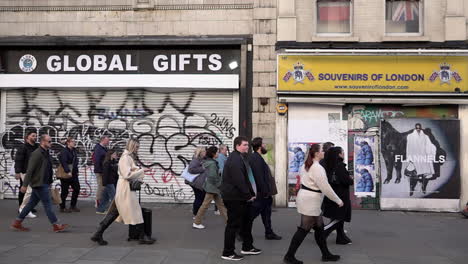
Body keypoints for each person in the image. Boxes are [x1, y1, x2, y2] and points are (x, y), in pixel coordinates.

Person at [283, 144, 343, 264]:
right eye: (322, 151)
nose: (324, 153)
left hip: (308, 198)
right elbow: (325, 187)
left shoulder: (306, 165)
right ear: (316, 153)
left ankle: (326, 254)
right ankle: (289, 256)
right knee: (303, 229)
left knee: (319, 228)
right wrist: (338, 200)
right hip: (310, 201)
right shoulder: (317, 168)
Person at [91, 138, 155, 245]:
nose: (137, 149)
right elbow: (127, 175)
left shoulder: (128, 157)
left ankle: (98, 234)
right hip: (125, 188)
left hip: (124, 188)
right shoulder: (125, 158)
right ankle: (142, 236)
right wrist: (141, 171)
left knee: (116, 212)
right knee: (135, 211)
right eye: (137, 147)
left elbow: (132, 169)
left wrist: (139, 171)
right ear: (132, 146)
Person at [11, 134, 69, 233]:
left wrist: (50, 181)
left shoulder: (46, 152)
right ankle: (56, 225)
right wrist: (24, 185)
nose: (51, 143)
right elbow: (30, 171)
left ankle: (17, 223)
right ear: (43, 142)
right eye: (49, 141)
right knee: (48, 205)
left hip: (44, 182)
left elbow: (47, 169)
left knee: (30, 204)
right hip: (39, 183)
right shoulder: (36, 154)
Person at [220, 136, 261, 261]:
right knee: (233, 225)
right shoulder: (235, 159)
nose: (247, 147)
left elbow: (246, 178)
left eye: (248, 145)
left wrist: (250, 194)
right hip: (234, 198)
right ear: (237, 146)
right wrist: (248, 195)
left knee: (246, 222)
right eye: (244, 145)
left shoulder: (240, 157)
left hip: (240, 197)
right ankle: (228, 252)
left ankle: (247, 247)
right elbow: (239, 180)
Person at [248, 137, 281, 240]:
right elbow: (259, 177)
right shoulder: (255, 158)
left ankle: (269, 232)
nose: (265, 146)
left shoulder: (257, 157)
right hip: (261, 193)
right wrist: (265, 192)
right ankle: (240, 231)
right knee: (252, 214)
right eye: (264, 144)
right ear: (259, 146)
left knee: (266, 213)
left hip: (264, 193)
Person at [322, 146, 354, 245]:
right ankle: (323, 232)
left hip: (335, 194)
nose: (344, 154)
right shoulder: (339, 166)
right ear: (339, 154)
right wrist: (351, 179)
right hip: (341, 196)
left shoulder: (330, 165)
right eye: (342, 152)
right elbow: (346, 181)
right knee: (338, 218)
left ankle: (341, 238)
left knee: (340, 217)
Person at [193, 146, 228, 229]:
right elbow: (213, 176)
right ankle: (197, 222)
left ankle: (229, 222)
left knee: (221, 205)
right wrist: (220, 184)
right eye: (217, 152)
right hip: (212, 188)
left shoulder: (210, 162)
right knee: (205, 205)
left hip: (213, 187)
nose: (218, 154)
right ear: (213, 154)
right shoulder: (212, 163)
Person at [406, 123, 437, 195]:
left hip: (423, 157)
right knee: (413, 174)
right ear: (415, 128)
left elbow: (429, 145)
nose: (418, 129)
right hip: (414, 157)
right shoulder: (410, 136)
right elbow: (408, 147)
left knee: (424, 174)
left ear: (421, 128)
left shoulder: (425, 136)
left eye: (419, 128)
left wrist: (432, 151)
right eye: (417, 128)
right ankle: (411, 189)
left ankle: (423, 187)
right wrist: (409, 157)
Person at [14, 131, 39, 219]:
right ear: (27, 137)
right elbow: (18, 160)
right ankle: (23, 208)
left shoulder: (36, 147)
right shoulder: (23, 147)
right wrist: (17, 172)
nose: (35, 137)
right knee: (27, 189)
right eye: (33, 136)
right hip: (25, 172)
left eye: (35, 136)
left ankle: (27, 207)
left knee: (27, 189)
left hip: (34, 172)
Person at [58, 137, 81, 213]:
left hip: (73, 173)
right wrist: (68, 171)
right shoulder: (64, 151)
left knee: (77, 188)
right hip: (66, 173)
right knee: (65, 191)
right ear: (68, 143)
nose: (74, 143)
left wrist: (76, 171)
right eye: (72, 141)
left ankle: (73, 206)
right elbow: (63, 162)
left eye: (74, 141)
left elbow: (75, 162)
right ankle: (62, 207)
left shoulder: (74, 151)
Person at [188, 147, 207, 218]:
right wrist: (202, 169)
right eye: (204, 151)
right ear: (200, 153)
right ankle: (196, 214)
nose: (205, 153)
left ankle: (197, 213)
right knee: (199, 198)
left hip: (200, 182)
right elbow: (191, 169)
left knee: (200, 198)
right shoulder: (195, 160)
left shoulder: (202, 159)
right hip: (196, 183)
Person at [93, 135, 109, 212]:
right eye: (107, 140)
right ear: (102, 140)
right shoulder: (98, 149)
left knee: (103, 187)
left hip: (104, 171)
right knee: (101, 186)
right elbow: (97, 161)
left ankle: (101, 201)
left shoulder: (104, 148)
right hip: (100, 171)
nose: (108, 142)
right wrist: (101, 171)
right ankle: (97, 201)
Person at [214, 144, 229, 215]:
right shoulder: (220, 157)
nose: (226, 151)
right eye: (225, 150)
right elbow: (222, 169)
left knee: (219, 194)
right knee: (219, 194)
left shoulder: (223, 156)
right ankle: (218, 209)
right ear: (221, 150)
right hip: (221, 179)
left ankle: (218, 209)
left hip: (221, 179)